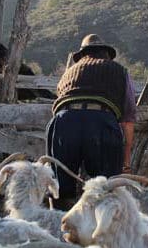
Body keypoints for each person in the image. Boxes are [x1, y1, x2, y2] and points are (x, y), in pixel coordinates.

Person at [46, 34, 136, 209]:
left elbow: (58, 105)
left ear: (82, 55)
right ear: (106, 54)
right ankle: (100, 230)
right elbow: (128, 118)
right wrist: (126, 162)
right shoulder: (119, 71)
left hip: (64, 122)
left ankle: (59, 226)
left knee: (59, 188)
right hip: (101, 122)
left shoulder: (68, 73)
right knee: (106, 188)